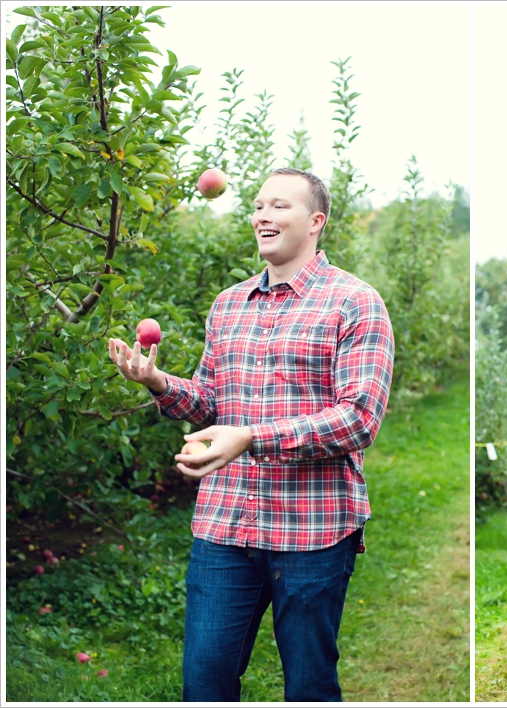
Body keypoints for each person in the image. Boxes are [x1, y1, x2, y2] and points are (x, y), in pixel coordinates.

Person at [107, 167, 395, 702]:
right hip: (224, 525)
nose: (263, 215)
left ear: (315, 221)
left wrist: (251, 438)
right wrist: (157, 381)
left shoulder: (355, 303)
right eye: (259, 205)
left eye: (279, 206)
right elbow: (211, 402)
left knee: (309, 684)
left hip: (313, 530)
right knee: (205, 682)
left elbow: (359, 418)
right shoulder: (228, 304)